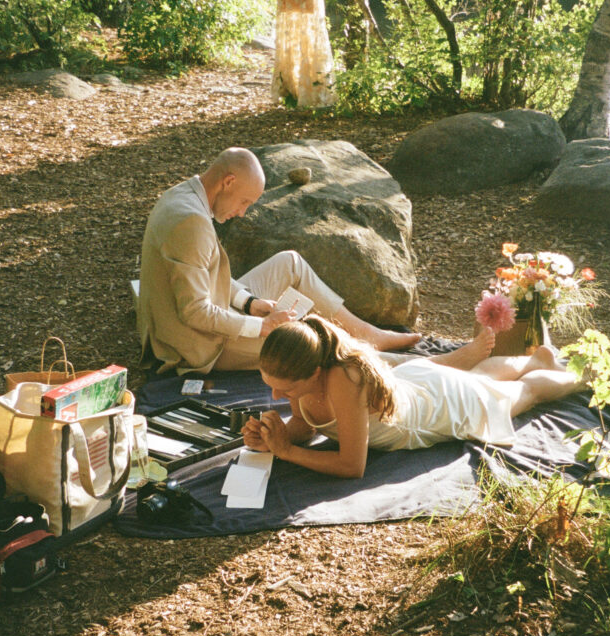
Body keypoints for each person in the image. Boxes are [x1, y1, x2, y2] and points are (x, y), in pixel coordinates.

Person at [138, 147, 495, 374]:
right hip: (199, 346)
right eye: (245, 202)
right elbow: (194, 312)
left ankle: (372, 335)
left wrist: (251, 303)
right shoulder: (191, 223)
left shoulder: (187, 194)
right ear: (228, 181)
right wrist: (259, 327)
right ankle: (434, 365)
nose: (243, 214)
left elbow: (208, 273)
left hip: (212, 315)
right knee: (316, 343)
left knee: (290, 262)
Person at [242, 315, 586, 478]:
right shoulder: (304, 365)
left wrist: (287, 453)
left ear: (314, 372)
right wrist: (279, 435)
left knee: (522, 393)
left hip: (438, 408)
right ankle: (535, 359)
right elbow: (306, 423)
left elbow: (352, 465)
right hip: (415, 383)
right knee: (479, 378)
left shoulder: (343, 378)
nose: (274, 395)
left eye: (283, 389)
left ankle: (579, 376)